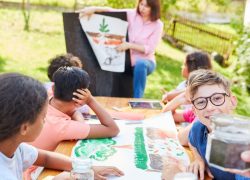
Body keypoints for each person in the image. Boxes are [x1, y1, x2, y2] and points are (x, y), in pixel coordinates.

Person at [0, 73, 124, 180]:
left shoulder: (15, 146)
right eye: (43, 117)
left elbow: (45, 157)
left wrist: (86, 169)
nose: (46, 120)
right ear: (25, 128)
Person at [78, 0, 163, 98]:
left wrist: (129, 45)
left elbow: (150, 49)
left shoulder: (158, 25)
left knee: (141, 64)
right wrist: (94, 9)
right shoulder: (132, 14)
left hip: (146, 61)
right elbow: (112, 11)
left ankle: (137, 100)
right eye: (141, 4)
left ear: (154, 8)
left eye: (147, 6)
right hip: (126, 59)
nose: (142, 8)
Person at [30, 66, 120, 151]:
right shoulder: (62, 126)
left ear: (53, 88)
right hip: (37, 167)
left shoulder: (45, 96)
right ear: (81, 96)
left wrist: (80, 122)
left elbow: (73, 112)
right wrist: (91, 101)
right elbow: (113, 129)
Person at [186, 69, 249, 180]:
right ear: (194, 111)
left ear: (232, 102)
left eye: (217, 98)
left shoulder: (243, 141)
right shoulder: (197, 129)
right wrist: (198, 159)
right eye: (201, 102)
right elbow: (192, 142)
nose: (209, 107)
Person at [162, 51, 212, 123]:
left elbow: (168, 97)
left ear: (193, 68)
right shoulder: (191, 113)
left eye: (184, 64)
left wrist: (172, 96)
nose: (182, 67)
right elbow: (166, 113)